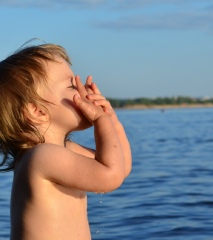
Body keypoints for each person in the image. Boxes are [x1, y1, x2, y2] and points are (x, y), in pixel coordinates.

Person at [0, 43, 132, 240]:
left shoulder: (62, 151)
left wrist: (111, 119)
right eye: (71, 86)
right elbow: (110, 177)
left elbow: (120, 169)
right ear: (38, 112)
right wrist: (101, 120)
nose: (83, 91)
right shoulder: (42, 157)